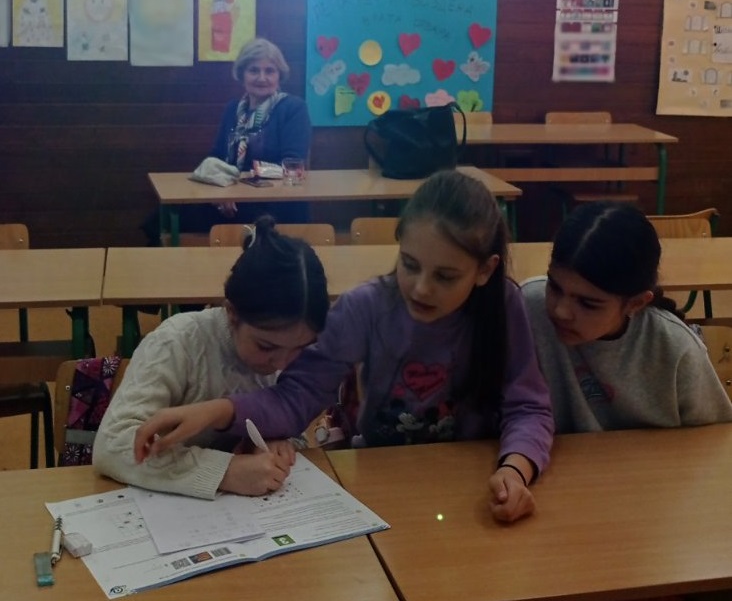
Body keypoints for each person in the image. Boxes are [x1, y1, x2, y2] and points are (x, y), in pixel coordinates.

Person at [134, 170, 555, 523]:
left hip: (470, 484)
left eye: (446, 277)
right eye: (409, 264)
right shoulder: (366, 307)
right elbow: (297, 397)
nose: (421, 288)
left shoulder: (503, 305)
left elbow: (529, 406)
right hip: (379, 483)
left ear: (484, 271)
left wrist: (515, 470)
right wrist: (217, 410)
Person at [511, 202, 732, 601]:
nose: (561, 310)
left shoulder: (675, 349)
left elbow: (716, 461)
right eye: (556, 287)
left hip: (643, 529)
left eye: (588, 303)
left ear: (636, 303)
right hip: (549, 512)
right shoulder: (528, 307)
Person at [93, 216, 330, 499]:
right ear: (232, 314)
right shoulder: (178, 342)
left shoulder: (296, 350)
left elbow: (295, 424)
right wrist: (225, 471)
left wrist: (277, 442)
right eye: (265, 347)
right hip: (165, 507)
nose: (282, 363)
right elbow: (112, 445)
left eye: (300, 348)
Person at [140, 37, 311, 245]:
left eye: (270, 71)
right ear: (242, 74)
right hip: (230, 199)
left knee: (173, 220)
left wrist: (234, 190)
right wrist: (217, 192)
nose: (262, 78)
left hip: (274, 203)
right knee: (163, 218)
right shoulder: (233, 109)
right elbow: (216, 157)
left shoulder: (293, 108)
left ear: (279, 75)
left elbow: (292, 165)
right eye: (254, 70)